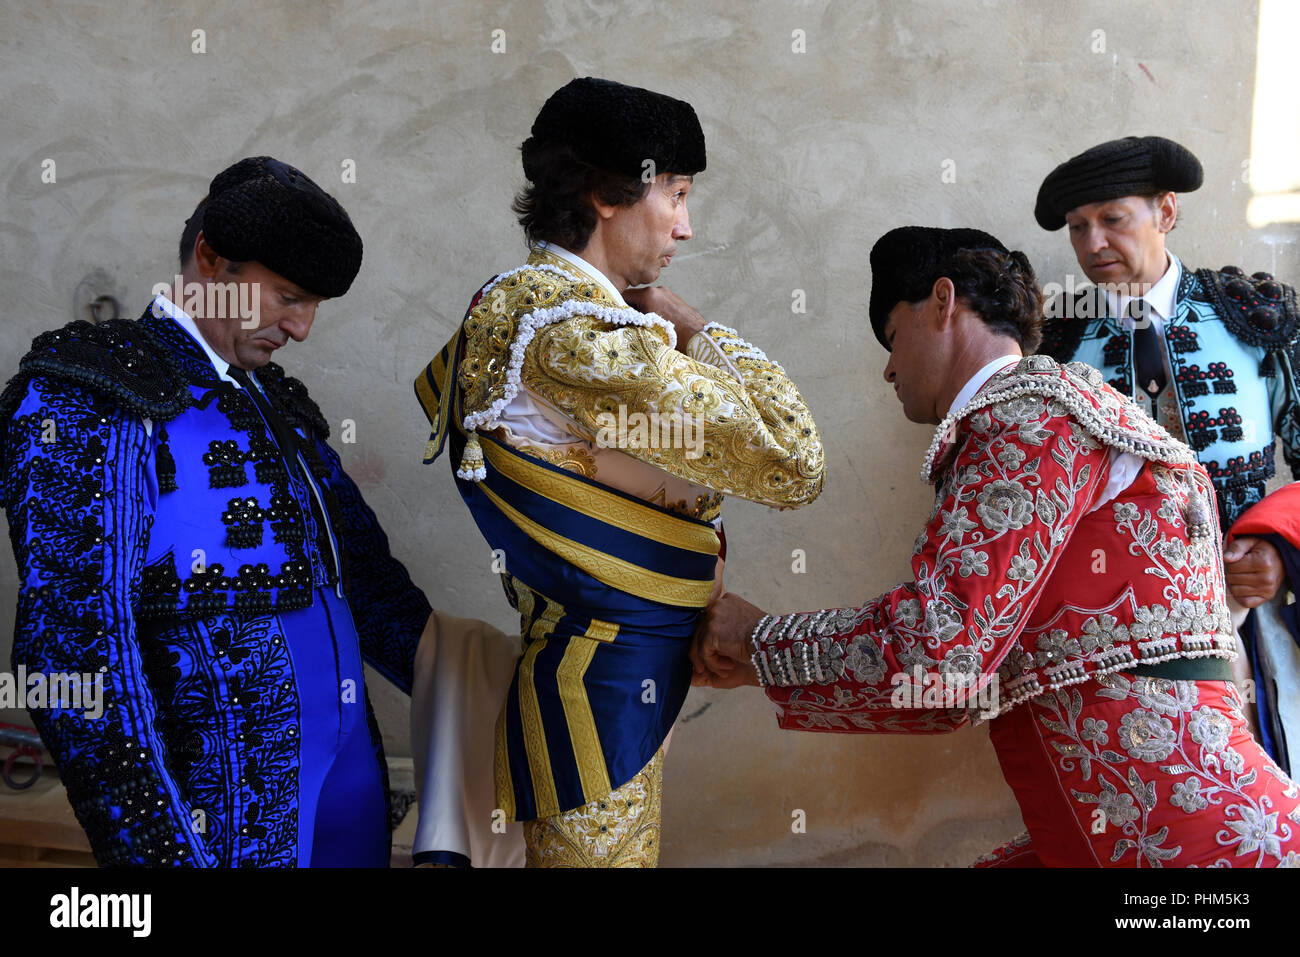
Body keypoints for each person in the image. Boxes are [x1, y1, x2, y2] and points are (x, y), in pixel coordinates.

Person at [692, 226, 1300, 867]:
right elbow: (953, 690)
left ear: (942, 302)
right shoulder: (1069, 408)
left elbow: (940, 653)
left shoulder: (1025, 416)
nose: (889, 368)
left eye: (894, 337)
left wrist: (761, 640)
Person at [413, 76, 824, 867]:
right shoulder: (574, 335)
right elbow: (793, 459)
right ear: (608, 194)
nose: (687, 225)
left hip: (599, 667)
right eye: (675, 194)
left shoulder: (516, 307)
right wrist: (697, 327)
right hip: (600, 683)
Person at [0, 156, 432, 866]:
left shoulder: (282, 408)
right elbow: (75, 651)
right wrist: (159, 852)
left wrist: (530, 699)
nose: (302, 329)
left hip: (354, 805)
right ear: (210, 258)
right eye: (288, 296)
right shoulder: (90, 395)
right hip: (216, 828)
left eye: (315, 304)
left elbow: (375, 591)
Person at [1034, 136, 1300, 775]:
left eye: (1112, 219)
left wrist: (1280, 554)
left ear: (1166, 212)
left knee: (1263, 785)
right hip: (1111, 623)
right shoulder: (1055, 340)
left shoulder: (1252, 316)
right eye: (1077, 228)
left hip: (1248, 611)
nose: (1092, 242)